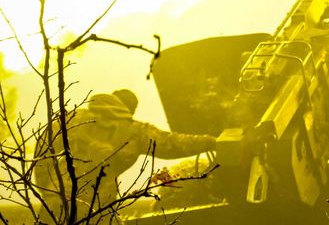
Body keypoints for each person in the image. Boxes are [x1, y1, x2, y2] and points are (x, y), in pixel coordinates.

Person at [34, 89, 217, 216]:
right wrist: (211, 142)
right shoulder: (135, 130)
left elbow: (42, 149)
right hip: (96, 206)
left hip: (55, 202)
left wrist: (47, 187)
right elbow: (173, 144)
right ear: (130, 110)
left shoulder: (73, 118)